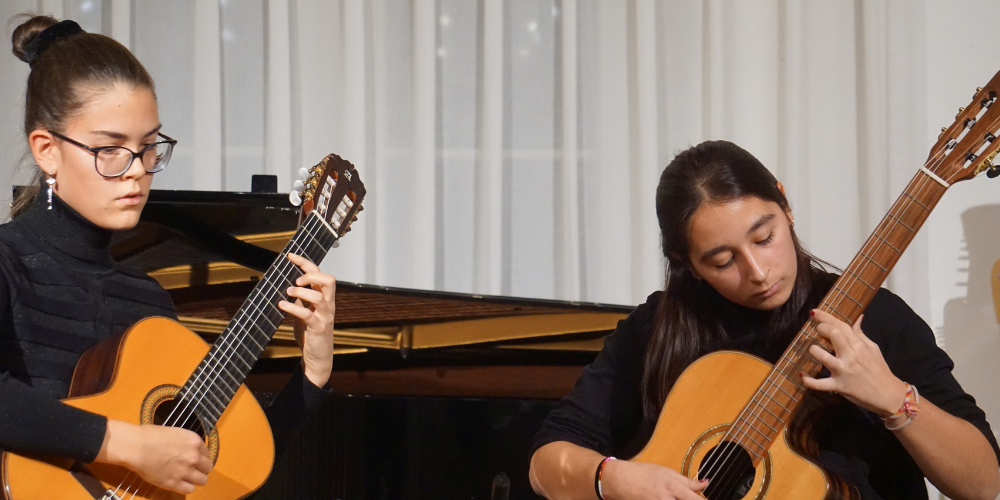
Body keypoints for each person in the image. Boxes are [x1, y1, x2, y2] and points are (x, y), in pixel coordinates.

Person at [528, 141, 1000, 500]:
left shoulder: (876, 319)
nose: (757, 272)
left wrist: (893, 398)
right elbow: (546, 462)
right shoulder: (658, 329)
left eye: (764, 237)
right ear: (686, 262)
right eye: (721, 260)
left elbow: (984, 482)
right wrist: (615, 478)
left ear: (785, 203)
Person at [2, 15, 337, 496]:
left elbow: (224, 475)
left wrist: (314, 369)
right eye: (110, 150)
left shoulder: (148, 303)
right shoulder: (7, 263)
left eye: (149, 146)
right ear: (47, 150)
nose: (138, 170)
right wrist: (128, 445)